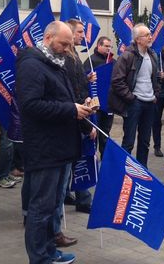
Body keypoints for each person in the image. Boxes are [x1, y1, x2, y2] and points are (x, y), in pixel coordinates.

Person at [17, 21, 95, 264]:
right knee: (41, 207)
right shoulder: (31, 65)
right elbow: (31, 106)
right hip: (45, 148)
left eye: (69, 44)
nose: (66, 48)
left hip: (61, 146)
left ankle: (50, 251)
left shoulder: (56, 63)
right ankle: (39, 258)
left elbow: (65, 98)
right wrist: (70, 109)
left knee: (52, 206)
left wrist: (82, 109)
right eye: (63, 43)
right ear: (48, 37)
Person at [109, 23, 160, 167]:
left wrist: (156, 93)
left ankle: (142, 171)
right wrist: (131, 98)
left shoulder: (153, 55)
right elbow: (116, 81)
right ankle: (123, 172)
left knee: (145, 141)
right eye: (147, 35)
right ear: (138, 39)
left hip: (150, 103)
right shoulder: (127, 56)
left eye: (150, 34)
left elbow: (156, 78)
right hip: (134, 104)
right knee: (129, 141)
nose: (150, 37)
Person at [62, 19, 95, 215]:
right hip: (77, 118)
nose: (83, 35)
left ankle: (70, 193)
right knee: (83, 159)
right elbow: (73, 93)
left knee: (74, 160)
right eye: (81, 32)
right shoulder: (67, 59)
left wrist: (87, 79)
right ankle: (83, 199)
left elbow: (78, 85)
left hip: (81, 114)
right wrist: (87, 126)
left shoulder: (74, 56)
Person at [83, 35, 115, 158]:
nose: (108, 48)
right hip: (95, 105)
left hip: (109, 104)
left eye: (110, 46)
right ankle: (93, 158)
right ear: (99, 46)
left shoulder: (113, 62)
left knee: (105, 133)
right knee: (95, 131)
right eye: (106, 46)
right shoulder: (90, 61)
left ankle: (105, 158)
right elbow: (84, 80)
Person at [153, 34, 164, 159]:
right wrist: (158, 75)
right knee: (156, 120)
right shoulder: (155, 57)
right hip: (159, 93)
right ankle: (157, 146)